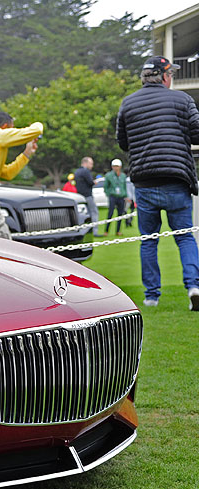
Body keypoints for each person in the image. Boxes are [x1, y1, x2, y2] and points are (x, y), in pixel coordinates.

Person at [117, 55, 199, 310]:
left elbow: (123, 142)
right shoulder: (183, 100)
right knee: (185, 237)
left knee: (149, 240)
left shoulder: (128, 103)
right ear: (164, 77)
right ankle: (194, 287)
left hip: (145, 182)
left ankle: (151, 297)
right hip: (176, 179)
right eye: (170, 74)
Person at [73, 157, 100, 236]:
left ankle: (85, 230)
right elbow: (90, 182)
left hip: (80, 196)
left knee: (83, 214)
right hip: (88, 195)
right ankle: (94, 231)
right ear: (86, 163)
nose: (92, 166)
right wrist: (94, 182)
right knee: (94, 212)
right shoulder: (86, 171)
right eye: (91, 163)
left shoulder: (77, 171)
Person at [103, 159, 128, 234]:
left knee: (120, 214)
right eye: (114, 166)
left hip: (121, 197)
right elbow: (106, 187)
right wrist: (109, 194)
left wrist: (125, 196)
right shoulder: (108, 175)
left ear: (120, 167)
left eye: (117, 166)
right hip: (113, 196)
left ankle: (118, 231)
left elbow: (124, 187)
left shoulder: (123, 176)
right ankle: (106, 231)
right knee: (110, 213)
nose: (115, 168)